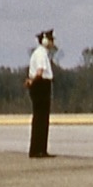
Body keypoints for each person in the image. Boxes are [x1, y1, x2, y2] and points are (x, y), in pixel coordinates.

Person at [25, 29, 57, 158]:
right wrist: (32, 81)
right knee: (41, 118)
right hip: (41, 85)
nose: (52, 42)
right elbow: (39, 72)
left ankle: (39, 149)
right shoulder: (41, 54)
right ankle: (38, 149)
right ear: (44, 41)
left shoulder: (39, 53)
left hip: (40, 85)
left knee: (40, 118)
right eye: (51, 40)